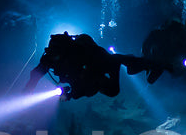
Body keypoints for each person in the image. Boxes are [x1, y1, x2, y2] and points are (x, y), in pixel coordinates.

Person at [25, 32, 164, 99]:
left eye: (56, 55)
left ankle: (153, 64)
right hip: (87, 68)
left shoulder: (80, 54)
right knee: (102, 90)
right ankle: (145, 64)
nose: (53, 58)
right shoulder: (49, 58)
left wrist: (70, 94)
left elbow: (84, 85)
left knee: (113, 89)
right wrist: (28, 89)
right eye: (52, 54)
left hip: (99, 61)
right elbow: (36, 74)